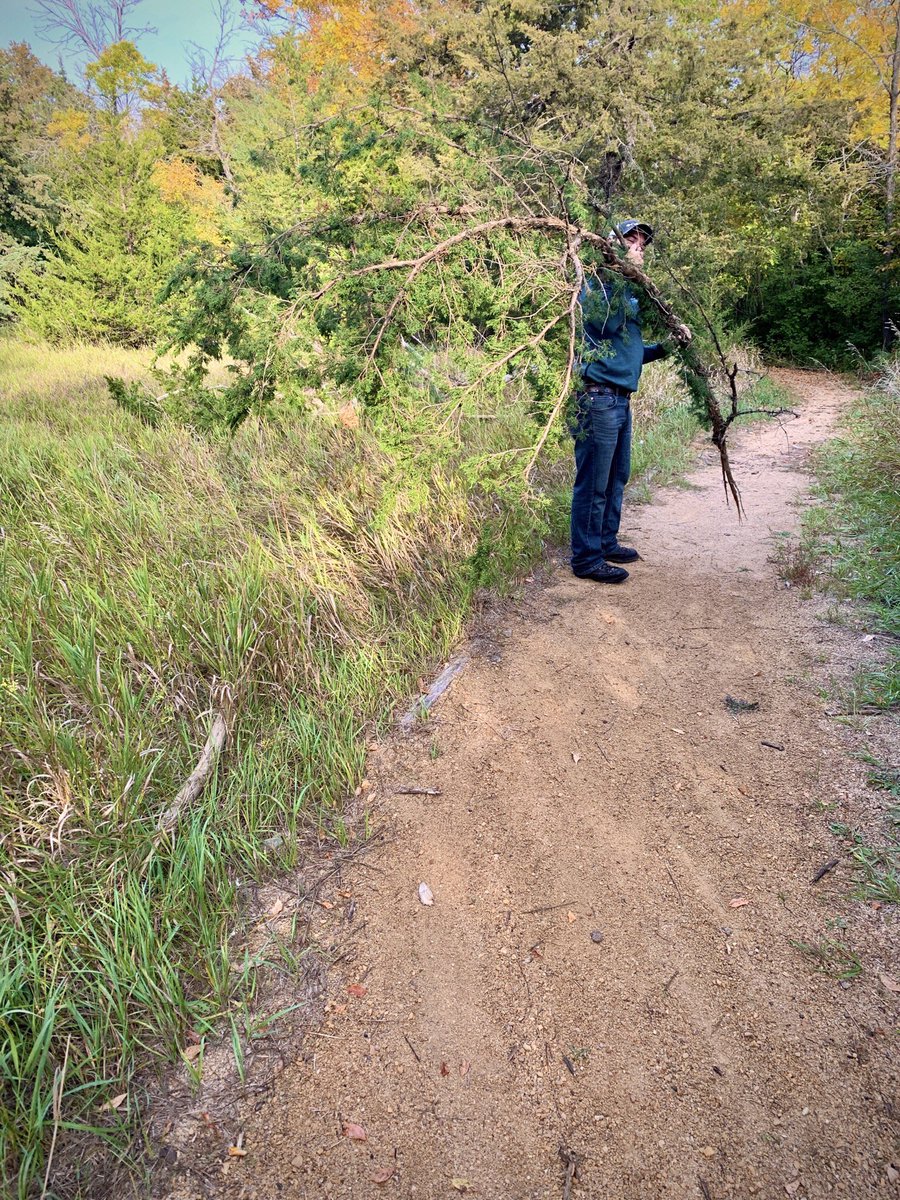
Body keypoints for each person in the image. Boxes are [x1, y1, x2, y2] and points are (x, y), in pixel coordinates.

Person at [569, 218, 690, 584]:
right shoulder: (597, 285)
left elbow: (630, 349)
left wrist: (669, 347)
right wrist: (626, 276)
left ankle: (605, 542)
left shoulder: (629, 292)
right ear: (611, 245)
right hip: (597, 397)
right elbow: (604, 326)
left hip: (619, 399)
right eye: (631, 240)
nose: (639, 246)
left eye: (642, 242)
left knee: (617, 475)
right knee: (594, 480)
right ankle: (586, 559)